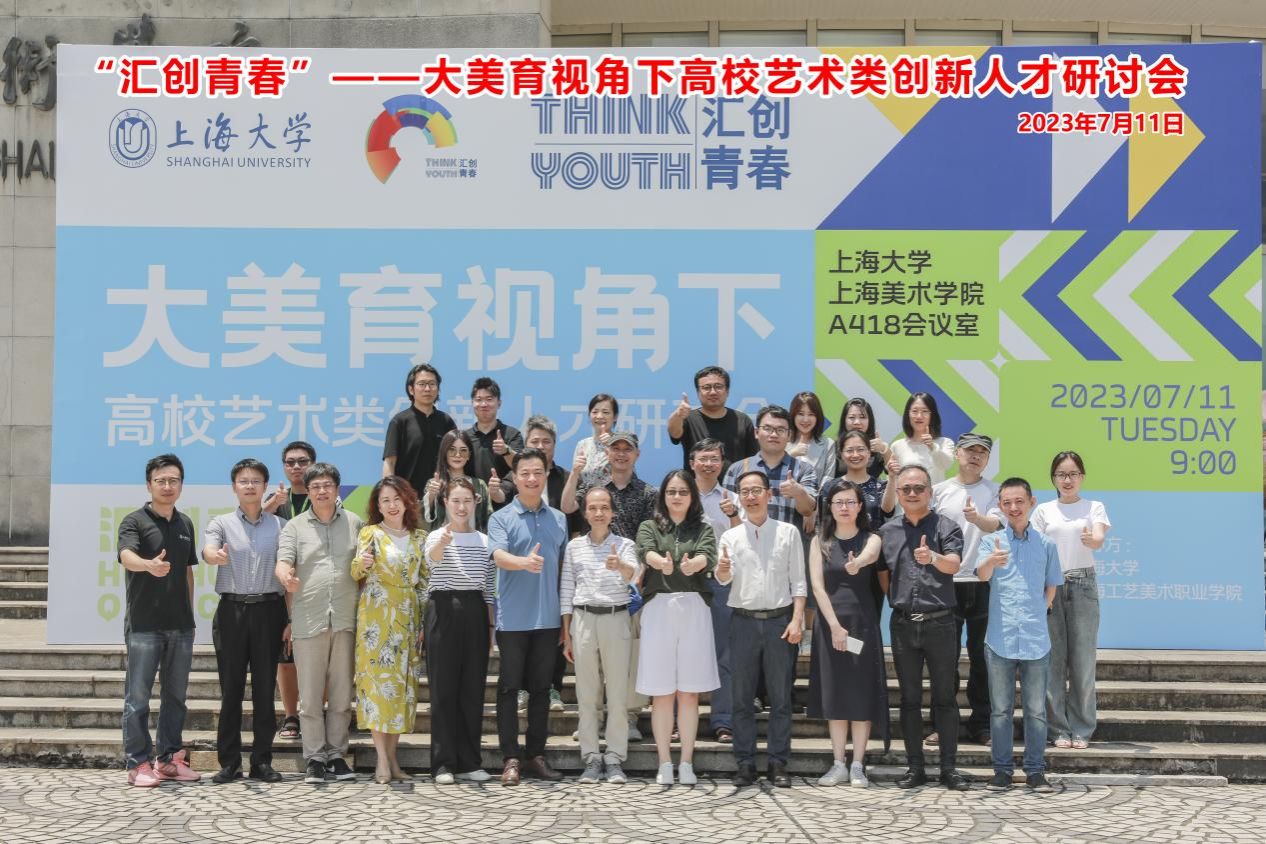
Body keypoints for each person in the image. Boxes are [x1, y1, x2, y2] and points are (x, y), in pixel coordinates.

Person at [715, 470, 806, 788]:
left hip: (780, 621)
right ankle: (745, 763)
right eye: (745, 491)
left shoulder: (788, 532)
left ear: (769, 494)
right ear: (739, 497)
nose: (751, 497)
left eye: (756, 490)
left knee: (780, 698)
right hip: (742, 621)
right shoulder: (731, 537)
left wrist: (797, 619)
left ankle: (778, 762)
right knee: (741, 698)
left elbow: (799, 581)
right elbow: (724, 579)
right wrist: (721, 571)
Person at [275, 462, 363, 785]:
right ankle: (314, 758)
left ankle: (337, 755)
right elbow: (283, 561)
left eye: (327, 485)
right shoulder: (294, 527)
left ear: (337, 489)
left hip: (345, 619)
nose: (322, 491)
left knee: (341, 695)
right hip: (308, 619)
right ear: (308, 491)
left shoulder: (355, 523)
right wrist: (285, 576)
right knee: (310, 697)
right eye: (316, 486)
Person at [881, 465, 968, 790]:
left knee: (945, 698)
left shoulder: (946, 526)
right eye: (906, 489)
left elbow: (954, 564)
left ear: (930, 492)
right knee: (909, 699)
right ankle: (914, 767)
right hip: (904, 625)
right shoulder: (887, 531)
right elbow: (883, 576)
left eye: (919, 488)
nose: (913, 493)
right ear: (898, 494)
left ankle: (949, 768)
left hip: (941, 623)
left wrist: (932, 557)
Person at [117, 453, 201, 787]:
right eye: (161, 480)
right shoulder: (134, 521)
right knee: (137, 698)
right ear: (149, 484)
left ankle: (168, 760)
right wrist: (148, 565)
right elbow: (126, 556)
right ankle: (137, 764)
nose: (168, 486)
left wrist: (189, 615)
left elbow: (188, 572)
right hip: (144, 625)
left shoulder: (185, 524)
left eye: (173, 480)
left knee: (176, 697)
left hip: (181, 625)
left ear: (181, 484)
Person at [976, 477, 1063, 793]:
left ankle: (1035, 771)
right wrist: (991, 561)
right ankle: (1001, 771)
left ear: (1031, 502)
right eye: (1007, 502)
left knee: (1036, 711)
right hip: (999, 639)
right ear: (1000, 506)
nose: (1013, 507)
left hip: (1036, 639)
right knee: (1000, 711)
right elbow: (982, 575)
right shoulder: (991, 542)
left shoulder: (1047, 544)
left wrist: (1042, 608)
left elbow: (1052, 584)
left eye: (1019, 501)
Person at [203, 457, 287, 784]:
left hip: (269, 611)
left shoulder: (281, 526)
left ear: (265, 486)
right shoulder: (221, 523)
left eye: (255, 481)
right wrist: (215, 556)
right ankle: (229, 763)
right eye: (243, 481)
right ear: (234, 487)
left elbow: (288, 563)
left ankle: (262, 762)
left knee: (265, 690)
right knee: (231, 690)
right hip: (232, 612)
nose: (249, 486)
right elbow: (209, 550)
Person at [489, 448, 569, 786]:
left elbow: (564, 571)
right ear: (515, 478)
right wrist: (524, 562)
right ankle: (510, 758)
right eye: (525, 473)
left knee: (541, 690)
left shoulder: (559, 519)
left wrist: (566, 620)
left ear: (546, 474)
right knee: (509, 689)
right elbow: (497, 555)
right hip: (513, 620)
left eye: (538, 472)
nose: (532, 479)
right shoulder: (501, 517)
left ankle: (536, 754)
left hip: (548, 619)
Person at [635, 470, 719, 786]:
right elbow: (646, 551)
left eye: (683, 491)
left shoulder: (703, 527)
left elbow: (707, 555)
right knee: (662, 693)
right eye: (671, 491)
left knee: (688, 693)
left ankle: (686, 761)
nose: (677, 497)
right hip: (659, 608)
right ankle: (664, 762)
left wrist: (694, 564)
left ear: (692, 496)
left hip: (694, 608)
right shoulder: (650, 526)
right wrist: (661, 563)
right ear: (663, 496)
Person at [807, 480, 890, 788]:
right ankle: (838, 762)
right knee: (836, 693)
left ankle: (858, 765)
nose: (844, 507)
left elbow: (870, 555)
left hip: (861, 625)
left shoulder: (872, 537)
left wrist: (858, 563)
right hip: (830, 626)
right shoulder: (820, 541)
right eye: (838, 502)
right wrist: (834, 627)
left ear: (860, 506)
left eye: (850, 502)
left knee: (860, 692)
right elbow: (817, 587)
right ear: (829, 507)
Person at [561, 486, 640, 784]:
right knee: (587, 693)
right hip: (582, 619)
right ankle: (591, 756)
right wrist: (567, 632)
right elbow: (566, 589)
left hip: (616, 618)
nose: (598, 513)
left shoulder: (625, 544)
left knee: (617, 693)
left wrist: (620, 566)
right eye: (593, 508)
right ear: (585, 513)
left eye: (604, 507)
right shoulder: (574, 546)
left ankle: (615, 756)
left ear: (613, 512)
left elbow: (634, 576)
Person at [352, 476, 429, 784]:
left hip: (408, 617)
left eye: (397, 498)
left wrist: (422, 623)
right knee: (376, 687)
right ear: (378, 506)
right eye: (385, 500)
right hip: (376, 615)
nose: (392, 505)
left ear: (407, 501)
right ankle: (382, 761)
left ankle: (393, 759)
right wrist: (363, 562)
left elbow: (425, 582)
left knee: (401, 689)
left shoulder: (421, 537)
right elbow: (354, 571)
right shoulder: (369, 532)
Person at [1033, 451, 1110, 750]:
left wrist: (1094, 540)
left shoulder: (1094, 507)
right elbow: (1035, 547)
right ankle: (1057, 729)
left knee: (1083, 660)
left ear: (1082, 477)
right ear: (1053, 478)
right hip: (1050, 585)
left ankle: (1082, 728)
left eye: (1073, 474)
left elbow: (1099, 536)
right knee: (1052, 660)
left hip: (1082, 584)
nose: (1067, 480)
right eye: (1061, 474)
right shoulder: (1044, 510)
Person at [929, 433, 1001, 749]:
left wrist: (977, 518)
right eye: (970, 451)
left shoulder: (995, 491)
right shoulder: (939, 491)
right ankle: (942, 725)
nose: (975, 456)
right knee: (944, 660)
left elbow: (995, 525)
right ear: (957, 454)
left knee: (982, 659)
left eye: (981, 452)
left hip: (984, 582)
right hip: (946, 583)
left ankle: (981, 725)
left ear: (987, 459)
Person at [424, 477, 495, 785]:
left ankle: (469, 761)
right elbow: (432, 561)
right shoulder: (435, 536)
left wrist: (490, 627)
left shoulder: (485, 541)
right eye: (455, 500)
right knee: (443, 690)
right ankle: (443, 763)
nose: (461, 506)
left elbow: (489, 588)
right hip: (443, 608)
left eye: (467, 500)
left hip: (475, 610)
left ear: (476, 502)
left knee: (472, 689)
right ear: (445, 503)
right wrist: (442, 543)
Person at [689, 438, 742, 743]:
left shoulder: (733, 499)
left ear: (722, 464)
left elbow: (744, 541)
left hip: (722, 583)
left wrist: (733, 514)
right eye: (703, 458)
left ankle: (723, 720)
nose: (708, 464)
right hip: (686, 583)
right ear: (692, 462)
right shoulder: (680, 494)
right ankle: (679, 719)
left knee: (725, 654)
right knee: (685, 652)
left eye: (714, 459)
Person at [264, 440, 316, 742]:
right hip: (281, 589)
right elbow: (253, 522)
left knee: (318, 658)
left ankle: (314, 713)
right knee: (286, 657)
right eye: (290, 462)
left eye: (303, 461)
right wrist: (272, 505)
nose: (297, 467)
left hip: (315, 587)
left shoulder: (324, 495)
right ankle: (291, 715)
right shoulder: (276, 500)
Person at [722, 405, 818, 535]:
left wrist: (799, 492)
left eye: (780, 430)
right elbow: (727, 515)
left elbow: (808, 510)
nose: (773, 434)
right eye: (767, 429)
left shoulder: (803, 469)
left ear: (789, 435)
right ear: (756, 432)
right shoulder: (737, 469)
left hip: (787, 543)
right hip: (747, 542)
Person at [563, 431, 658, 542]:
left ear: (637, 454)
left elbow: (648, 536)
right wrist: (575, 472)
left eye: (627, 449)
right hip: (593, 551)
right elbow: (567, 507)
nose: (621, 454)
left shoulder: (648, 493)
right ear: (607, 453)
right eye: (616, 449)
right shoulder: (593, 487)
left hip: (629, 552)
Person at [383, 363, 457, 495]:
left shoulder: (446, 421)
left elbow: (455, 460)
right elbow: (390, 463)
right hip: (408, 498)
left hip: (441, 496)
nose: (427, 389)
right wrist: (390, 494)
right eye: (422, 384)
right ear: (411, 389)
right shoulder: (399, 421)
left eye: (432, 384)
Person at [667, 365, 757, 472]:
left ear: (727, 391)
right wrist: (678, 415)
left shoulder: (742, 420)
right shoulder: (689, 419)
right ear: (698, 392)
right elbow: (674, 434)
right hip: (696, 482)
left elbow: (751, 459)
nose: (713, 392)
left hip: (734, 482)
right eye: (706, 387)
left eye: (718, 386)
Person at [422, 429, 500, 532]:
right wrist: (431, 495)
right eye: (452, 450)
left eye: (463, 450)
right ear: (444, 453)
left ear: (469, 455)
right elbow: (424, 520)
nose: (457, 455)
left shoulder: (479, 484)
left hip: (474, 540)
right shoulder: (434, 484)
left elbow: (488, 518)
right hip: (444, 540)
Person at [464, 376, 523, 505]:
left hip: (506, 506)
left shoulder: (512, 434)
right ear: (472, 403)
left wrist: (506, 451)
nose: (483, 404)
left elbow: (520, 466)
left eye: (489, 399)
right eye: (478, 400)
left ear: (499, 403)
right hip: (471, 506)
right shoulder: (464, 437)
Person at [888, 392, 954, 479]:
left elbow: (946, 465)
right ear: (908, 414)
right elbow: (893, 480)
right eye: (914, 411)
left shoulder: (945, 442)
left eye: (925, 411)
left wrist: (932, 446)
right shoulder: (897, 446)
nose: (919, 416)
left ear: (932, 415)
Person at [571, 393, 618, 491]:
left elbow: (628, 476)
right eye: (595, 412)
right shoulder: (583, 444)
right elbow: (576, 481)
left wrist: (612, 446)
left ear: (615, 417)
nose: (599, 416)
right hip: (586, 499)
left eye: (605, 412)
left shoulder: (621, 442)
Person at [787, 391, 836, 484]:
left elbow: (828, 480)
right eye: (801, 414)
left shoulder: (828, 444)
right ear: (793, 415)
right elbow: (774, 472)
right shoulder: (782, 441)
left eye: (811, 414)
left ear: (818, 417)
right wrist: (791, 455)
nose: (805, 420)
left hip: (816, 493)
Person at [838, 397, 888, 479]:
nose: (857, 422)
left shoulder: (877, 447)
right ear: (844, 420)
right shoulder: (834, 447)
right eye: (852, 417)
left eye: (862, 417)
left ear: (870, 420)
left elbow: (894, 471)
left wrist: (884, 449)